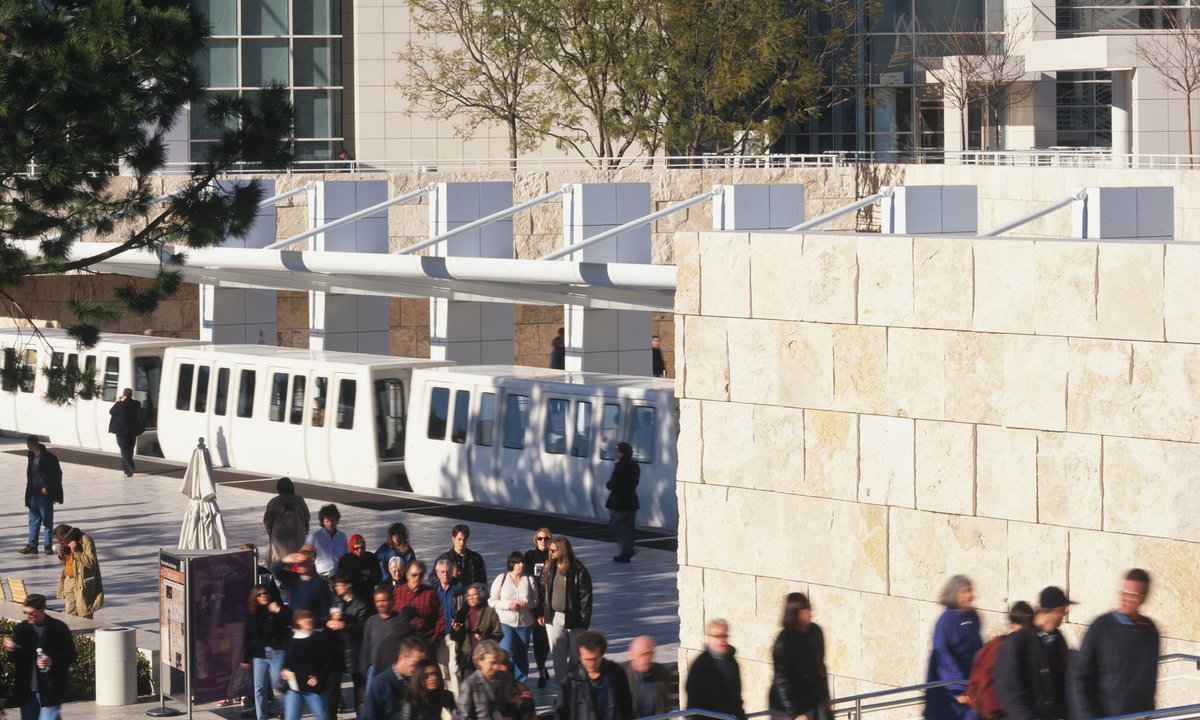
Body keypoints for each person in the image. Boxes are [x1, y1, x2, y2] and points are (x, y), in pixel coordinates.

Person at [1071, 568, 1160, 719]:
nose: (1125, 598)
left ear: (1144, 598)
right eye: (1123, 591)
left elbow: (1150, 681)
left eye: (1132, 594)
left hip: (1141, 715)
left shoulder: (1151, 631)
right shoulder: (1100, 627)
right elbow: (1080, 677)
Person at [995, 587, 1072, 720]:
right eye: (1063, 611)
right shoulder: (1017, 642)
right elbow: (1008, 688)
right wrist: (1027, 717)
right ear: (1056, 610)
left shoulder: (1056, 637)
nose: (1064, 616)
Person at [4, 593, 76, 720]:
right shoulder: (22, 629)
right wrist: (12, 649)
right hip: (27, 690)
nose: (28, 616)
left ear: (42, 610)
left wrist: (51, 661)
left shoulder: (58, 628)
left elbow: (70, 656)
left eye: (32, 613)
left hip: (51, 688)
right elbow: (14, 659)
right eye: (25, 612)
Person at [925, 575, 984, 720]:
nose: (969, 595)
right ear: (954, 594)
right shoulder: (945, 621)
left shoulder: (973, 615)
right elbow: (943, 656)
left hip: (972, 683)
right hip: (952, 690)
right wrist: (957, 687)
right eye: (964, 592)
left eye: (970, 590)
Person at [768, 592, 830, 720]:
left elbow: (819, 668)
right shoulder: (784, 641)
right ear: (796, 613)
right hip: (786, 708)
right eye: (806, 610)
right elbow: (782, 680)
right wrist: (795, 713)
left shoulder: (815, 633)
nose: (810, 613)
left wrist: (825, 696)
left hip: (811, 700)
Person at [541, 536, 592, 687]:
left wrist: (584, 622)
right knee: (558, 656)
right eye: (550, 550)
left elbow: (586, 597)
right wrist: (543, 613)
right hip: (554, 617)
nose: (550, 552)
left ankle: (576, 688)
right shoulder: (549, 567)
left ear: (562, 551)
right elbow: (543, 590)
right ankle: (562, 690)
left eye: (553, 550)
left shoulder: (579, 570)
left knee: (576, 657)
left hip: (574, 619)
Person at [969, 601, 1034, 720]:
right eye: (1021, 624)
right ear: (1012, 624)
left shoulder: (1026, 645)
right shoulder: (1004, 647)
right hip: (1002, 711)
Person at [554, 630, 633, 720]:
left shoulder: (615, 673)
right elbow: (560, 712)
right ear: (579, 657)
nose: (591, 664)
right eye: (587, 659)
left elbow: (627, 707)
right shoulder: (570, 680)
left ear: (601, 654)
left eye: (594, 659)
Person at [241, 584, 293, 720]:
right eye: (260, 594)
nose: (264, 596)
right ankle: (261, 717)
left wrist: (279, 610)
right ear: (255, 597)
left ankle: (286, 713)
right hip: (260, 655)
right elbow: (248, 636)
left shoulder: (276, 609)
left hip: (277, 652)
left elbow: (291, 621)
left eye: (266, 593)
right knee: (259, 688)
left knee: (278, 686)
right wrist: (245, 657)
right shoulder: (253, 613)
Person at [490, 551, 538, 685]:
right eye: (518, 562)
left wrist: (525, 603)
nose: (521, 565)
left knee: (521, 654)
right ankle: (506, 682)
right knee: (507, 652)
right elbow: (492, 601)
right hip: (505, 621)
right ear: (512, 564)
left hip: (525, 623)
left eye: (522, 562)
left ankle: (520, 684)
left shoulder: (529, 579)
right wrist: (508, 605)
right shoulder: (502, 578)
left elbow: (536, 601)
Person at [327, 573, 371, 715]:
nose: (336, 588)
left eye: (339, 585)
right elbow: (330, 617)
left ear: (348, 585)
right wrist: (327, 621)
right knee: (333, 688)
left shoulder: (361, 604)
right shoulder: (337, 601)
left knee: (359, 688)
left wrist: (345, 625)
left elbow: (363, 627)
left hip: (353, 651)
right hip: (337, 650)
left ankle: (361, 715)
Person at [685, 619, 745, 719]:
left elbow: (736, 698)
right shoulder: (700, 664)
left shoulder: (731, 661)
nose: (723, 640)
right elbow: (694, 699)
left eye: (725, 635)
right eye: (718, 636)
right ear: (709, 638)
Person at [360, 585, 415, 691]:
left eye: (384, 600)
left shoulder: (399, 621)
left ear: (392, 601)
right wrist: (364, 671)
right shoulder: (371, 621)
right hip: (373, 671)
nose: (380, 604)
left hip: (394, 672)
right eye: (377, 601)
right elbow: (365, 648)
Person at [281, 608, 332, 720]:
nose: (308, 620)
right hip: (294, 687)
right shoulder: (292, 639)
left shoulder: (318, 637)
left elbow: (327, 662)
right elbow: (287, 660)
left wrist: (319, 678)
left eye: (310, 617)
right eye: (304, 617)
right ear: (297, 621)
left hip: (313, 688)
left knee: (322, 717)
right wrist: (284, 670)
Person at [362, 636, 427, 720]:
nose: (419, 668)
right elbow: (368, 716)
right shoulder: (380, 683)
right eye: (415, 664)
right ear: (401, 658)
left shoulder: (421, 681)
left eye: (422, 664)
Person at [21, 436, 63, 556]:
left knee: (47, 522)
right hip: (33, 494)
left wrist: (47, 487)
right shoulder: (31, 456)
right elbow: (31, 477)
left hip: (44, 495)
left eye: (28, 443)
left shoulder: (48, 457)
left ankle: (47, 546)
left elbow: (57, 475)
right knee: (33, 522)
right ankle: (32, 545)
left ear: (32, 443)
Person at [51, 524, 103, 619]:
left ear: (68, 536)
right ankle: (73, 633)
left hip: (81, 581)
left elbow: (91, 563)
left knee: (84, 613)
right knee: (70, 614)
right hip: (68, 580)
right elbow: (68, 563)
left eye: (61, 540)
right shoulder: (66, 543)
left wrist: (76, 551)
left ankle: (85, 633)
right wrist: (61, 556)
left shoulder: (85, 540)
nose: (61, 543)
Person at [452, 582, 503, 679]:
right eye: (469, 595)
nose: (471, 598)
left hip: (485, 656)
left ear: (481, 596)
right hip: (467, 657)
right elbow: (455, 637)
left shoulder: (490, 612)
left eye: (475, 595)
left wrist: (484, 638)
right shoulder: (462, 613)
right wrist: (456, 630)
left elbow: (498, 635)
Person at [523, 527, 553, 688]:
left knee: (549, 639)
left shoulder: (554, 555)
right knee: (539, 638)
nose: (543, 542)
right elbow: (527, 582)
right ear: (536, 540)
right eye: (540, 538)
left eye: (546, 538)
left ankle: (544, 664)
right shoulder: (530, 556)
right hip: (537, 603)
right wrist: (536, 611)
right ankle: (541, 668)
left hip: (552, 603)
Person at [432, 557, 467, 694]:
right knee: (443, 671)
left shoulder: (460, 589)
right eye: (442, 572)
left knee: (454, 669)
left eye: (447, 571)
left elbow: (466, 612)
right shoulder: (433, 591)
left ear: (452, 571)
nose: (445, 575)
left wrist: (460, 623)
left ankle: (458, 705)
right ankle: (449, 703)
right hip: (439, 635)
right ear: (437, 573)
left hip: (454, 634)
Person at [457, 640, 513, 720]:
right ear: (479, 661)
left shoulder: (505, 678)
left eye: (498, 662)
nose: (496, 666)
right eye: (492, 663)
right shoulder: (470, 685)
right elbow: (463, 717)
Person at [393, 559, 445, 643]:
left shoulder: (430, 593)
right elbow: (392, 618)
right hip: (402, 641)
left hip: (424, 641)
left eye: (420, 575)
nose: (417, 578)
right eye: (414, 575)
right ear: (407, 575)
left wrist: (434, 638)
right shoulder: (397, 593)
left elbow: (440, 617)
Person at [272, 549, 332, 620]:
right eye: (298, 563)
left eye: (304, 562)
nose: (301, 565)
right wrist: (285, 560)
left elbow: (324, 608)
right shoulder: (292, 578)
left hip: (311, 622)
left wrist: (322, 622)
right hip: (293, 620)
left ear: (311, 562)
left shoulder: (320, 582)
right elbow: (275, 570)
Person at [263, 477, 310, 565]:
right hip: (297, 535)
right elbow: (306, 516)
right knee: (297, 559)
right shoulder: (299, 500)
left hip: (279, 537)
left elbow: (267, 520)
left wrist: (270, 532)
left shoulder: (274, 502)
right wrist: (305, 529)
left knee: (281, 560)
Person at [605, 442, 640, 563]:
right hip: (632, 501)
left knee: (615, 524)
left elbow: (614, 483)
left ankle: (628, 548)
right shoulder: (635, 465)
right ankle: (625, 555)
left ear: (622, 452)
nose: (616, 453)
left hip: (620, 501)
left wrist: (609, 485)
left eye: (617, 451)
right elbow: (635, 482)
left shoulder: (620, 466)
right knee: (629, 527)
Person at [621, 635, 670, 717]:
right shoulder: (620, 672)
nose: (645, 658)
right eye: (642, 655)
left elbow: (664, 706)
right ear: (631, 654)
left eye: (649, 654)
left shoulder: (661, 672)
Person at [306, 503, 348, 578]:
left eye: (332, 520)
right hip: (321, 576)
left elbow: (346, 556)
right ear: (322, 522)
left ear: (336, 520)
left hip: (338, 577)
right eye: (327, 521)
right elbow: (305, 554)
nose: (330, 524)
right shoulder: (315, 537)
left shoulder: (342, 536)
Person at [336, 533, 381, 602]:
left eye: (362, 548)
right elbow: (341, 578)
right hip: (351, 595)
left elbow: (378, 577)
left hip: (367, 594)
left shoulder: (371, 558)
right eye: (356, 549)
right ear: (351, 548)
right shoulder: (345, 560)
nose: (359, 550)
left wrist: (369, 575)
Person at [108, 387, 142, 476]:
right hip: (132, 431)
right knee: (130, 449)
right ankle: (126, 469)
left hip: (121, 431)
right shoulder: (136, 404)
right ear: (132, 394)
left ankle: (130, 467)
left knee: (124, 449)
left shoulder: (119, 405)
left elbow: (111, 411)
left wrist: (119, 400)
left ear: (123, 394)